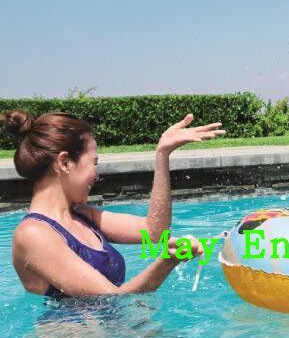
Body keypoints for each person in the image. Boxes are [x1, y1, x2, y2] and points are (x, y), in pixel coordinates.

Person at [9, 110, 225, 297]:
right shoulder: (33, 234)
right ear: (65, 162)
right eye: (94, 163)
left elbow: (155, 232)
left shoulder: (82, 216)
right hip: (74, 334)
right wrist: (168, 260)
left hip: (116, 329)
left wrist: (162, 155)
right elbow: (110, 297)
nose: (97, 176)